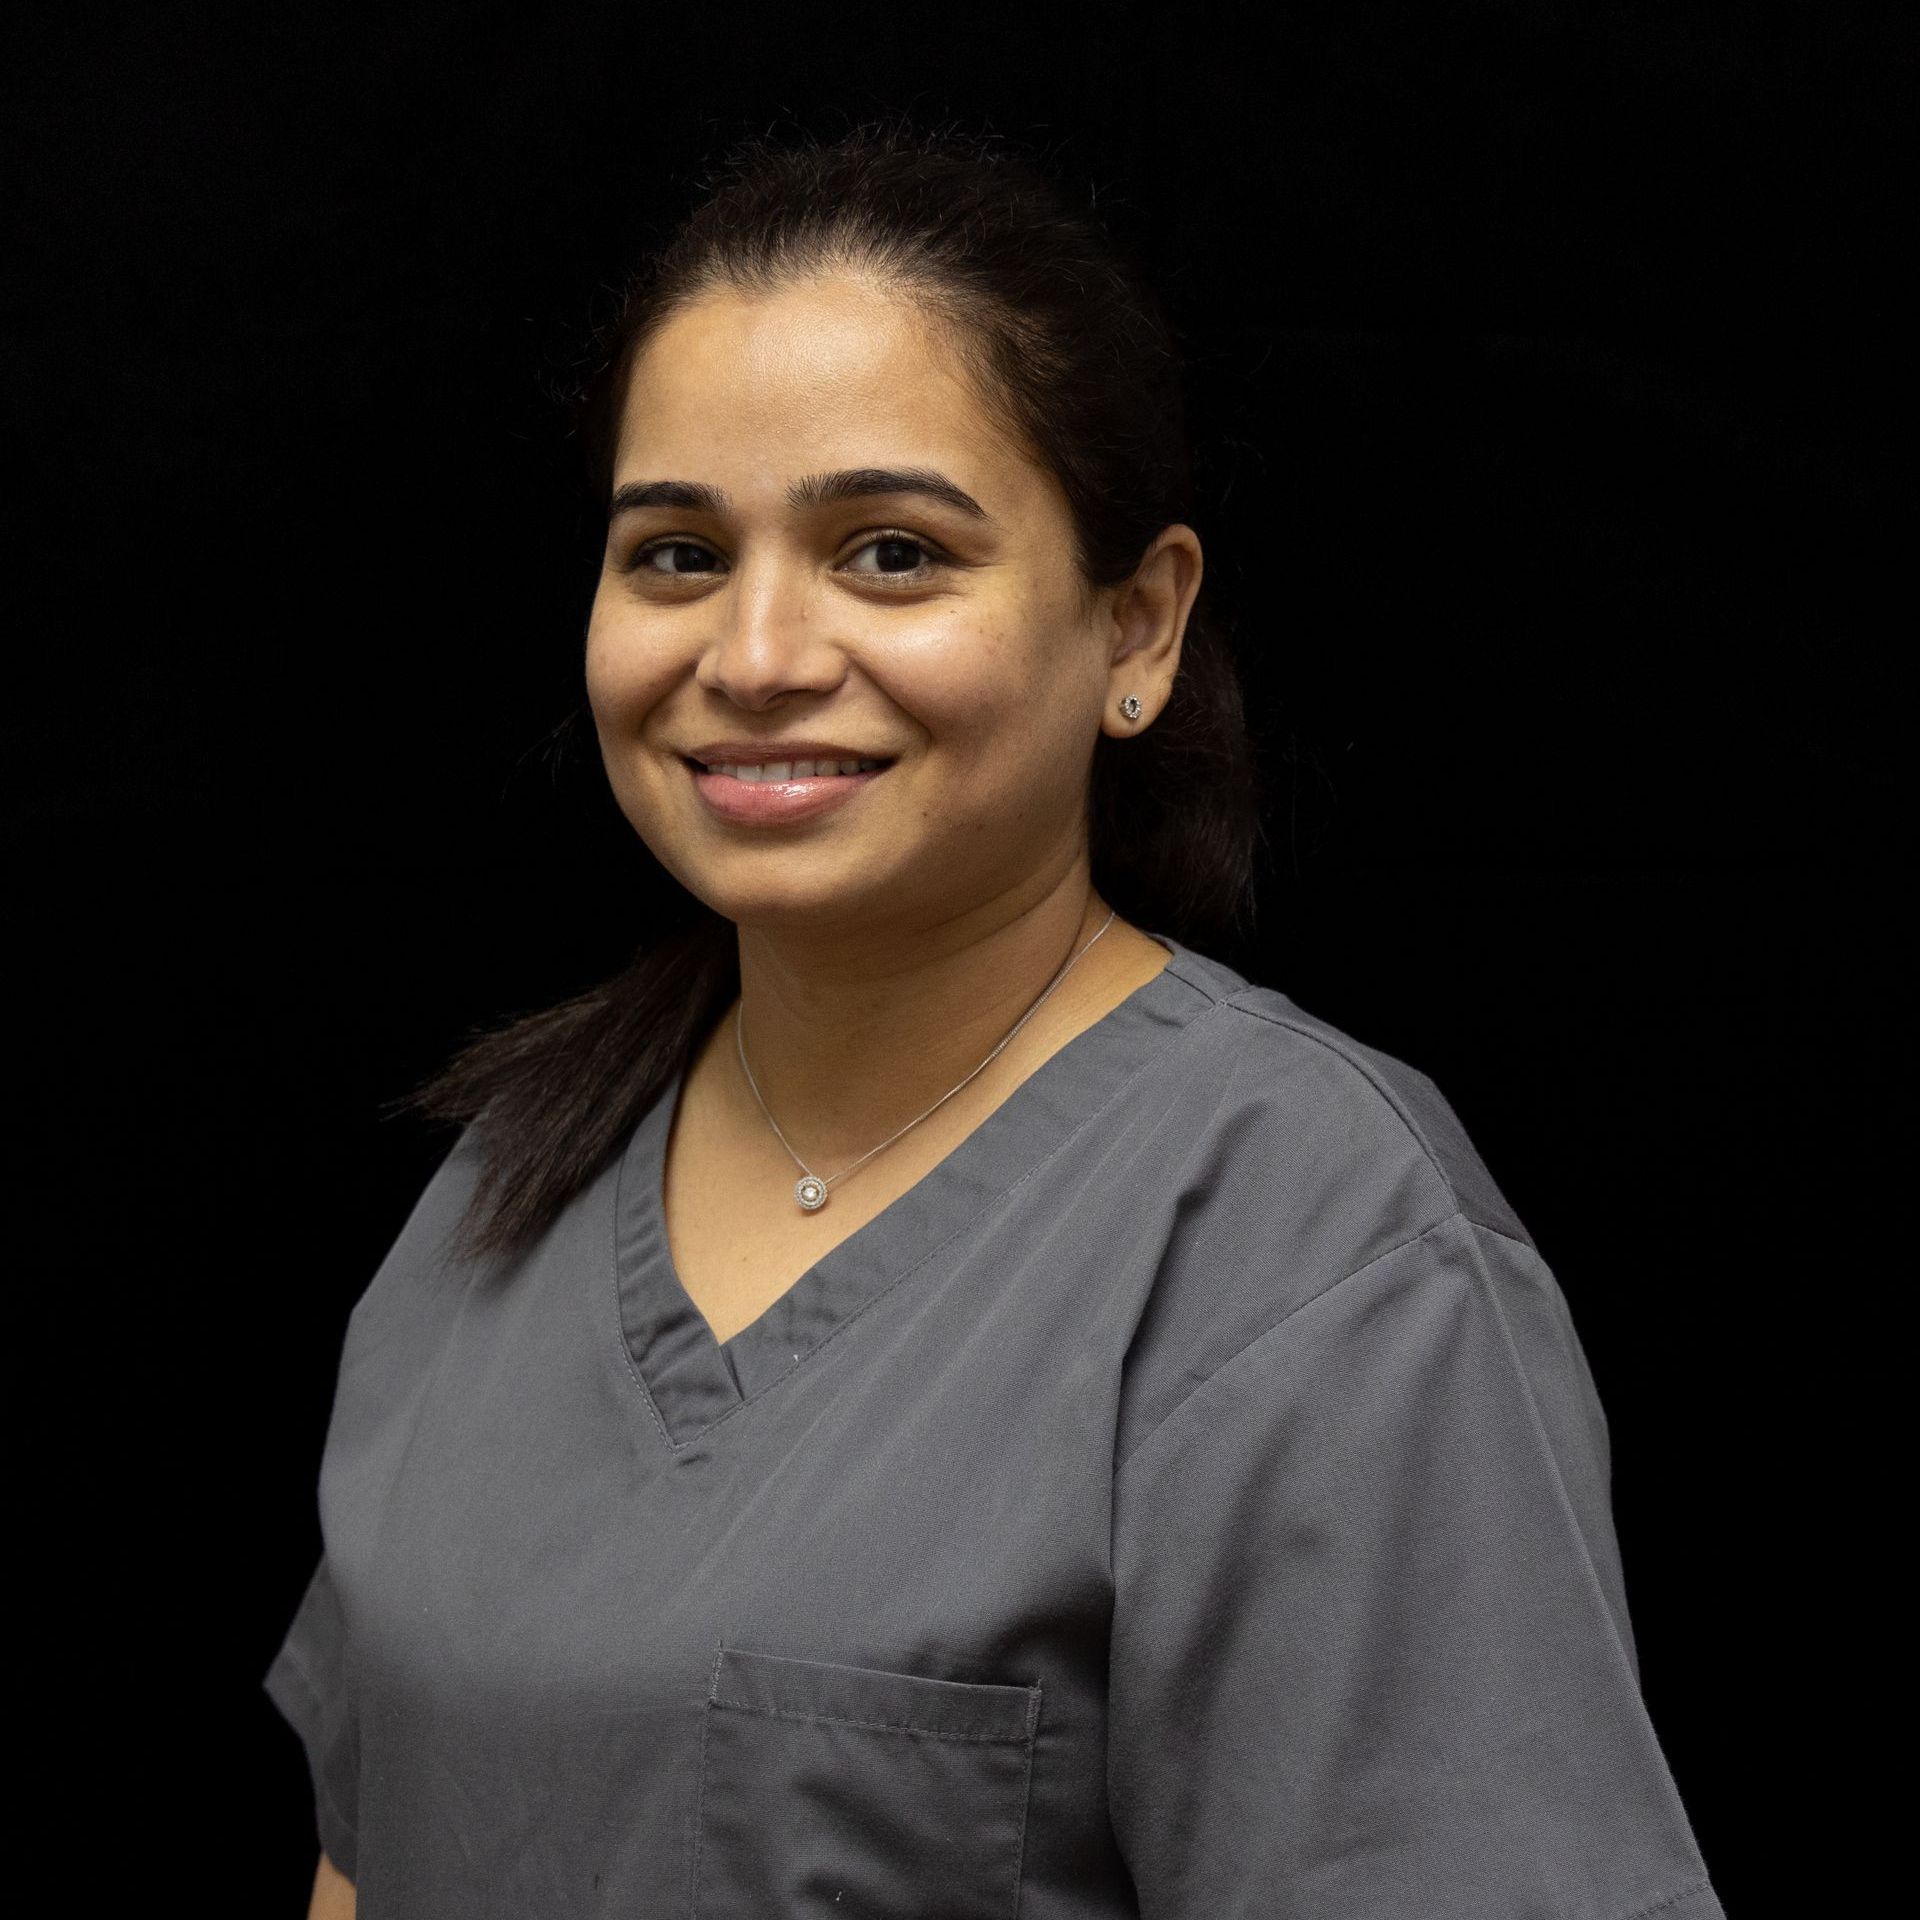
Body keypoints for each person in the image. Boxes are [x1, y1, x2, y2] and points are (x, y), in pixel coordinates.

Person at [264, 120, 1725, 1919]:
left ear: (1138, 626)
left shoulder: (1311, 1245)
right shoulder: (509, 1191)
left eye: (890, 552)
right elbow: (366, 1855)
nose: (758, 652)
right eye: (674, 555)